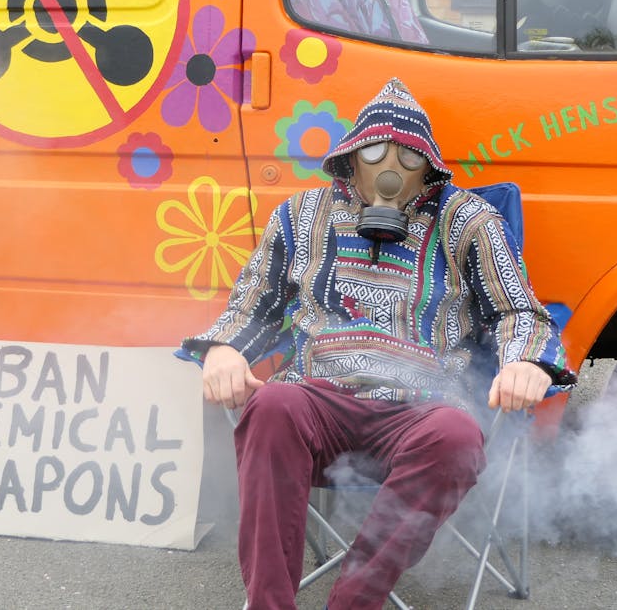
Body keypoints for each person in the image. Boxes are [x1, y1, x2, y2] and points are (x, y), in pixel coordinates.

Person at [179, 78, 576, 610]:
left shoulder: (469, 221)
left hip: (424, 406)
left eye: (409, 157)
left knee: (458, 437)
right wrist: (225, 349)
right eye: (375, 152)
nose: (390, 169)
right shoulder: (300, 216)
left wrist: (526, 362)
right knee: (270, 404)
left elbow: (518, 309)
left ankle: (356, 598)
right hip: (317, 395)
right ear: (350, 157)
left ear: (428, 166)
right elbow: (255, 301)